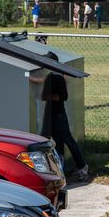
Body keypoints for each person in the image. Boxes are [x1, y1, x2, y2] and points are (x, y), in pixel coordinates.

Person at [41, 52, 89, 181]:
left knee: (67, 139)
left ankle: (82, 166)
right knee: (56, 142)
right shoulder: (50, 75)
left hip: (58, 114)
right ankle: (59, 168)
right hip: (50, 113)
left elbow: (63, 97)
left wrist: (45, 96)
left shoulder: (58, 77)